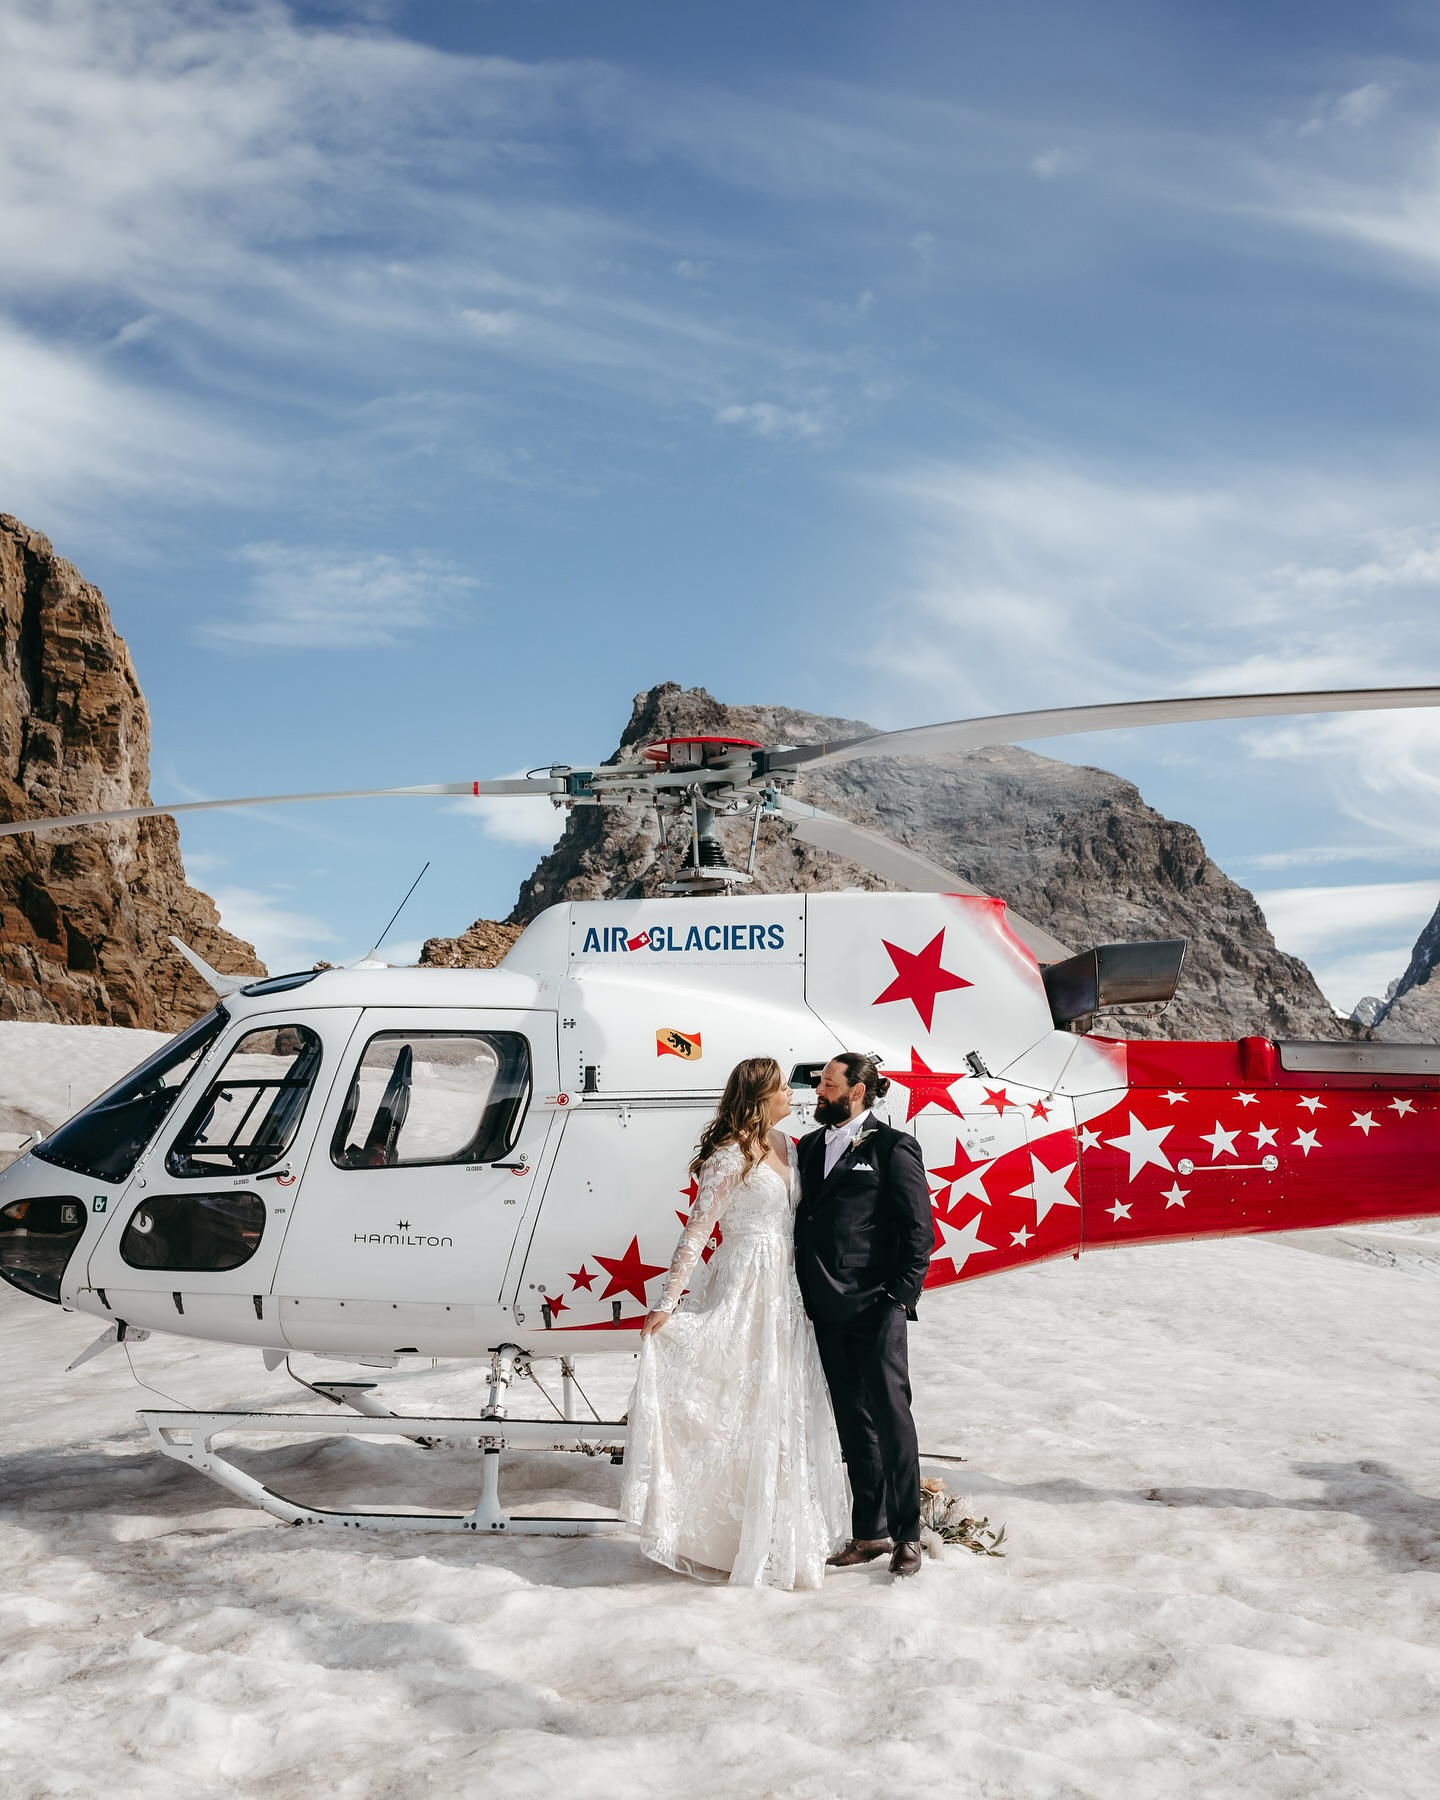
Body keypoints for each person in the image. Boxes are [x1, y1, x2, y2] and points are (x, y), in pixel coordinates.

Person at [622, 1056, 849, 1588]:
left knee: (782, 1401)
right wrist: (668, 1302)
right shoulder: (728, 1157)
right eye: (783, 1090)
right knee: (738, 1402)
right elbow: (697, 1231)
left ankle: (776, 1531)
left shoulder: (789, 1146)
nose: (794, 1096)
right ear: (760, 1095)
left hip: (786, 1287)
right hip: (745, 1279)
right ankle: (720, 1536)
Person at [794, 1053, 934, 1579]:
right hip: (824, 1308)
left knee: (893, 1420)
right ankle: (869, 1532)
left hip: (877, 1306)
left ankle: (907, 1536)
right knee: (853, 1423)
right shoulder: (809, 1147)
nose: (819, 1094)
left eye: (828, 1085)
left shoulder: (893, 1147)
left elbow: (920, 1231)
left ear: (857, 1091)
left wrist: (899, 1298)